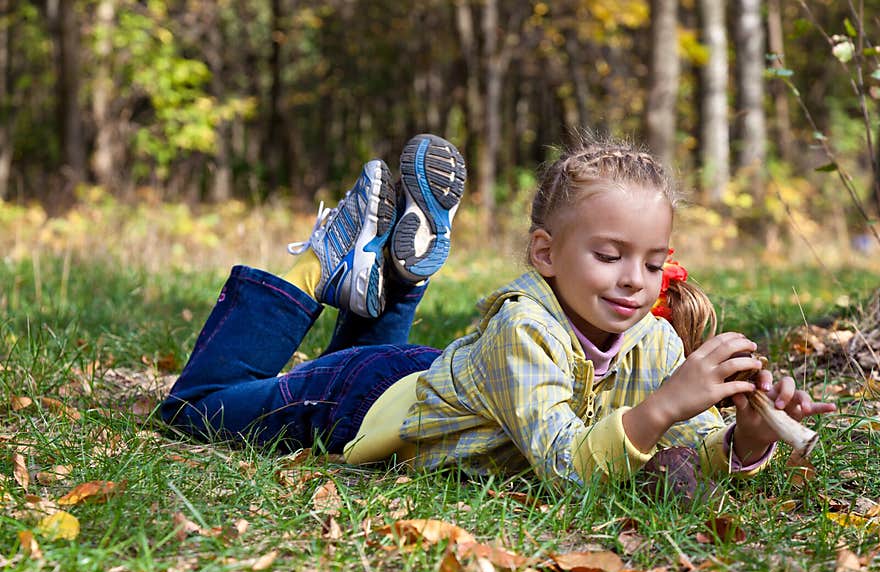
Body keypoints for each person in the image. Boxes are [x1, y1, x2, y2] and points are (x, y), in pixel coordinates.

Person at [160, 131, 836, 494]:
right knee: (194, 411)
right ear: (545, 252)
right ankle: (317, 263)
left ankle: (386, 277)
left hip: (447, 389)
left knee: (372, 363)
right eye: (609, 255)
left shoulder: (653, 341)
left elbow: (690, 453)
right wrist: (664, 406)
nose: (636, 280)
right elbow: (570, 466)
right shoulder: (524, 325)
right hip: (362, 401)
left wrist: (746, 437)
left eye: (654, 261)